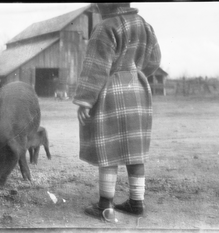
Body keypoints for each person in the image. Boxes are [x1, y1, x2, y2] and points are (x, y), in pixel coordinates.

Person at [73, 3, 161, 220]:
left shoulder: (105, 27)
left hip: (111, 91)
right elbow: (154, 60)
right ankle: (136, 202)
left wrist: (85, 99)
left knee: (109, 149)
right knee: (135, 150)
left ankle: (105, 206)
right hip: (139, 91)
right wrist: (136, 74)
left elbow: (96, 66)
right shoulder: (145, 26)